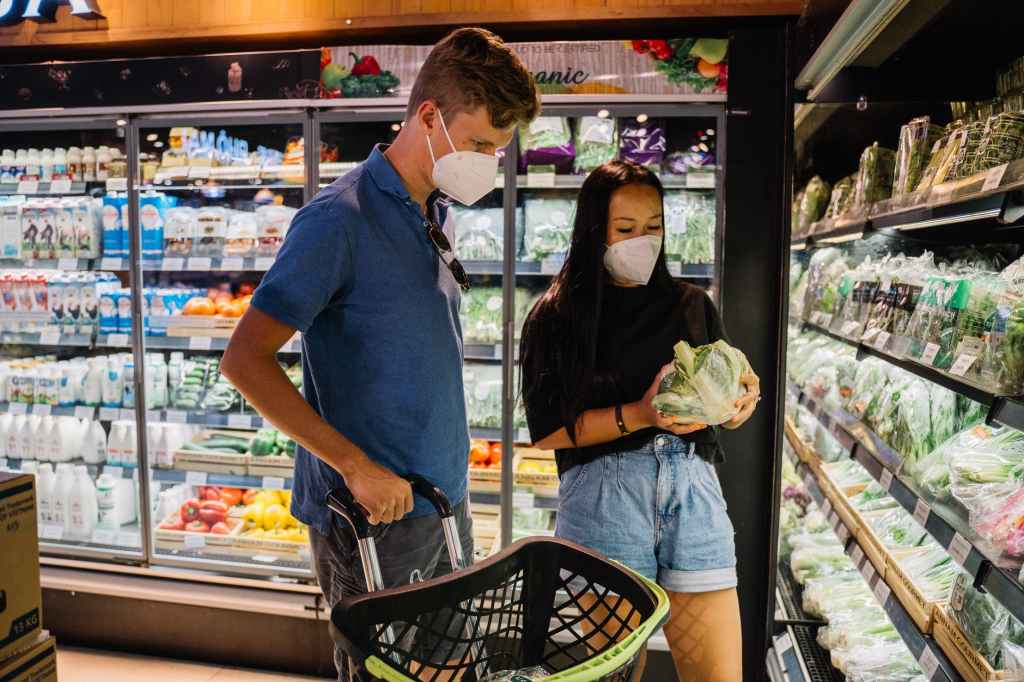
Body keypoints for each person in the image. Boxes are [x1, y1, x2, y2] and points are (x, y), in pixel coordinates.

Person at [222, 27, 539, 680]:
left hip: (438, 507)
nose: (488, 161)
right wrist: (355, 466)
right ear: (429, 116)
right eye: (480, 144)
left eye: (499, 150)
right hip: (373, 517)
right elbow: (244, 361)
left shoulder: (433, 214)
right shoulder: (338, 221)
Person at [519, 160, 760, 682]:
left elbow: (724, 402)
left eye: (654, 227)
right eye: (626, 229)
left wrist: (739, 400)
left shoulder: (694, 305)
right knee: (615, 675)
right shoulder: (555, 317)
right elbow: (548, 432)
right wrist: (642, 414)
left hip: (694, 493)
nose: (642, 240)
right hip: (605, 497)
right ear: (593, 232)